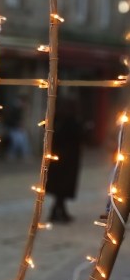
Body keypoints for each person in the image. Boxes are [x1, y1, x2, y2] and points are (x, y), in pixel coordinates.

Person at [46, 95, 84, 223]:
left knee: (60, 188)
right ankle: (56, 212)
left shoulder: (58, 119)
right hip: (67, 160)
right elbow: (76, 136)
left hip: (58, 158)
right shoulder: (69, 121)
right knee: (62, 187)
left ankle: (59, 211)